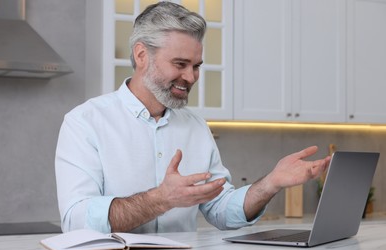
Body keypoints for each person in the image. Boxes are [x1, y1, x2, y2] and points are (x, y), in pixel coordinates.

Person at [55, 1, 330, 234]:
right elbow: (76, 219)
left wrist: (270, 183)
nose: (190, 77)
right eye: (180, 64)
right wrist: (161, 199)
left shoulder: (196, 127)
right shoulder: (85, 122)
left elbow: (220, 209)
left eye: (196, 66)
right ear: (142, 55)